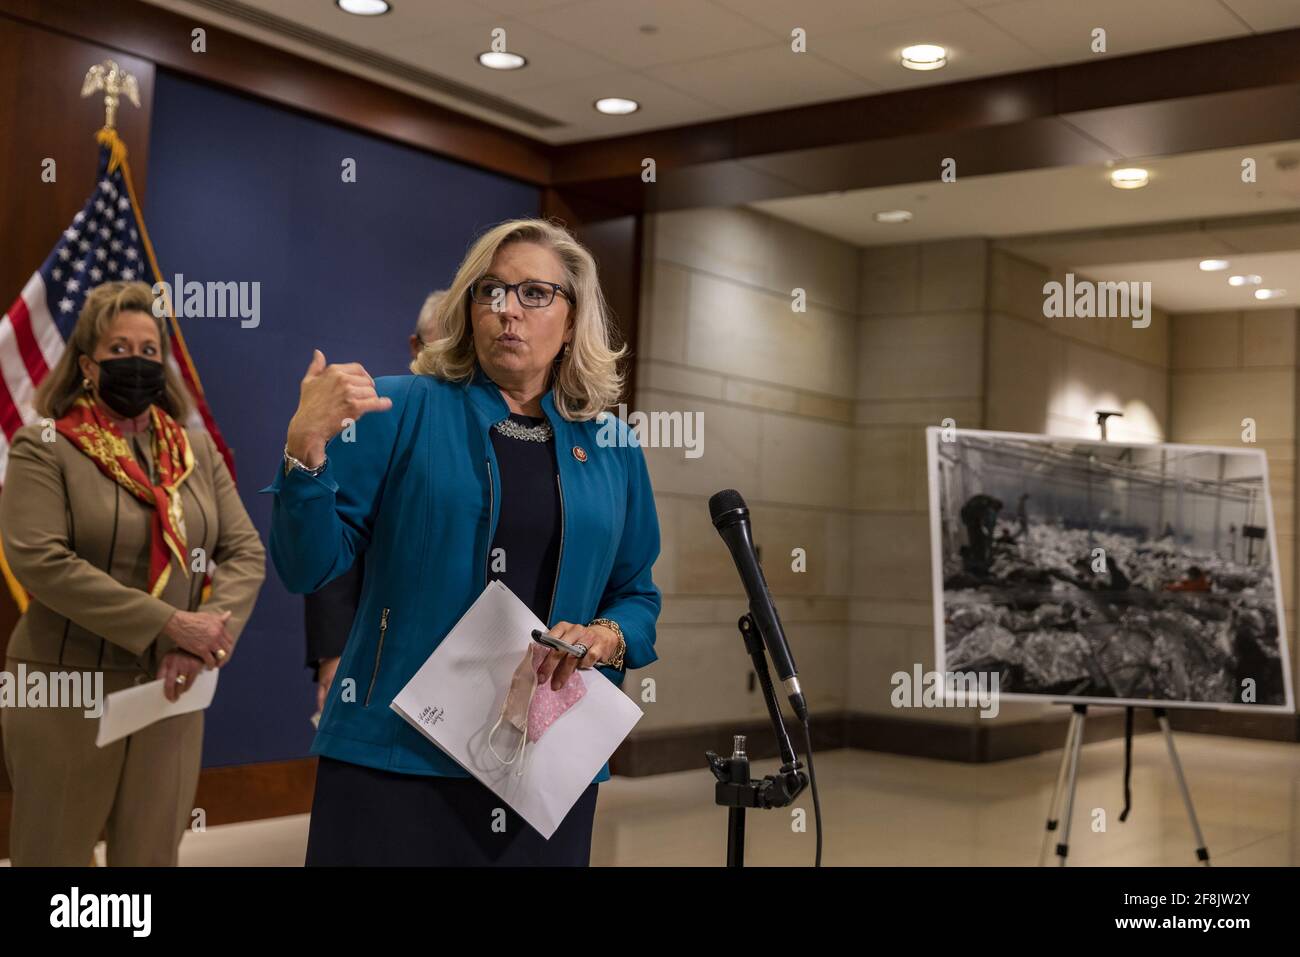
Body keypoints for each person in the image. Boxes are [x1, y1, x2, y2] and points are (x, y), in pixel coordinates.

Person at [267, 219, 661, 865]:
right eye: (491, 291)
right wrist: (303, 450)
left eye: (535, 293)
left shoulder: (614, 447)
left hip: (544, 763)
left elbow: (636, 593)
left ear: (572, 318)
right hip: (396, 757)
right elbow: (305, 566)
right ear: (468, 308)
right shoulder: (402, 410)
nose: (509, 310)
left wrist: (607, 636)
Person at [0, 281, 265, 866]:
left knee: (148, 860)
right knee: (55, 860)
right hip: (64, 689)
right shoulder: (44, 446)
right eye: (121, 350)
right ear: (88, 365)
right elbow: (39, 560)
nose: (138, 363)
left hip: (170, 689)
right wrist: (171, 624)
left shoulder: (195, 451)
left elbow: (245, 552)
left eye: (150, 351)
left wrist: (201, 647)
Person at [304, 289, 447, 717]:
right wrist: (332, 655)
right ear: (415, 347)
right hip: (380, 653)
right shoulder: (379, 418)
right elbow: (333, 543)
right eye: (439, 347)